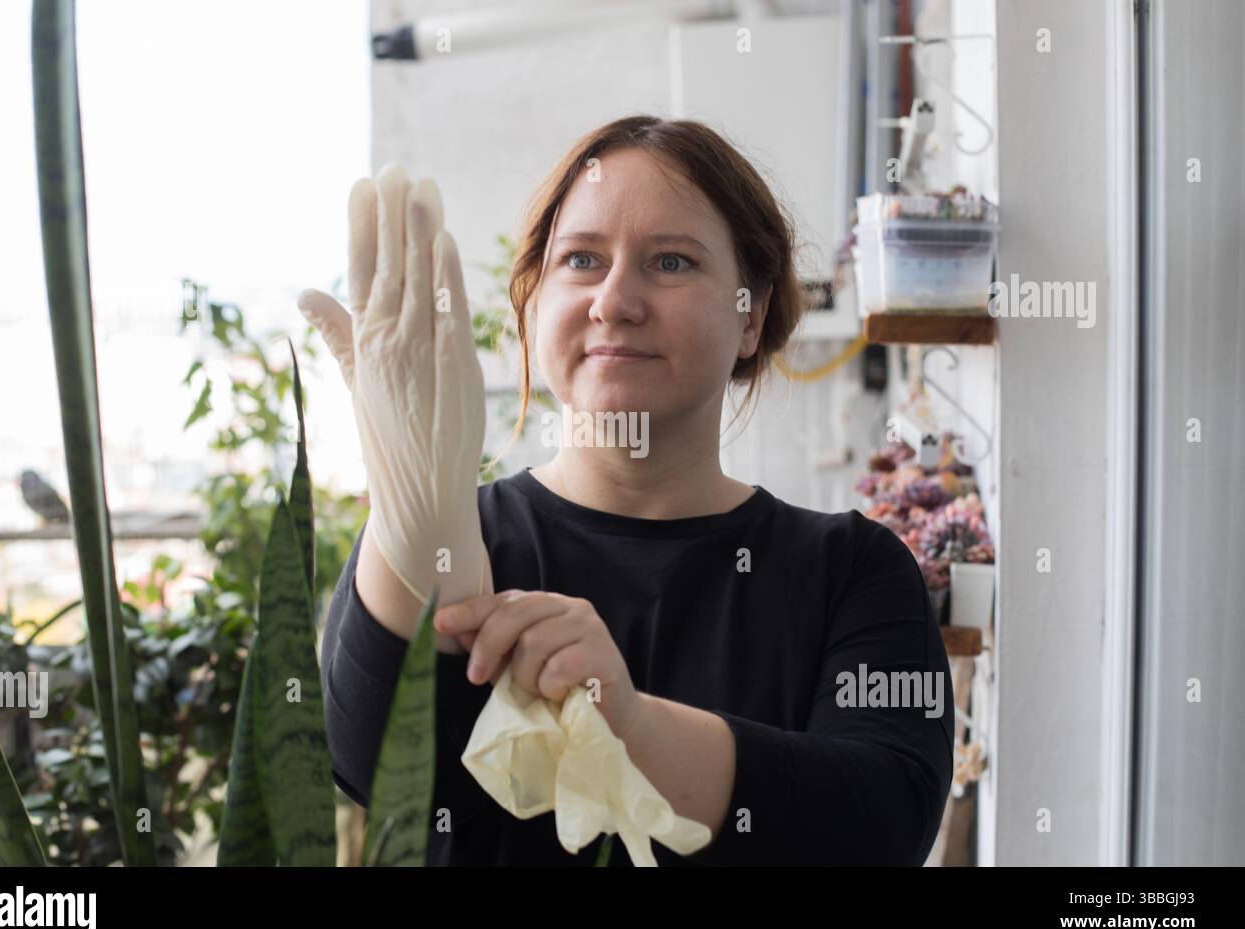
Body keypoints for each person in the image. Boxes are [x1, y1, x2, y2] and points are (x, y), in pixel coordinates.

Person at [298, 114, 954, 866]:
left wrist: (631, 728)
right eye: (581, 259)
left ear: (751, 316)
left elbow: (884, 822)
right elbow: (365, 766)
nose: (613, 301)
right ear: (534, 300)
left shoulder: (853, 571)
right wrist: (414, 539)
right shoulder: (451, 534)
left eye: (672, 262)